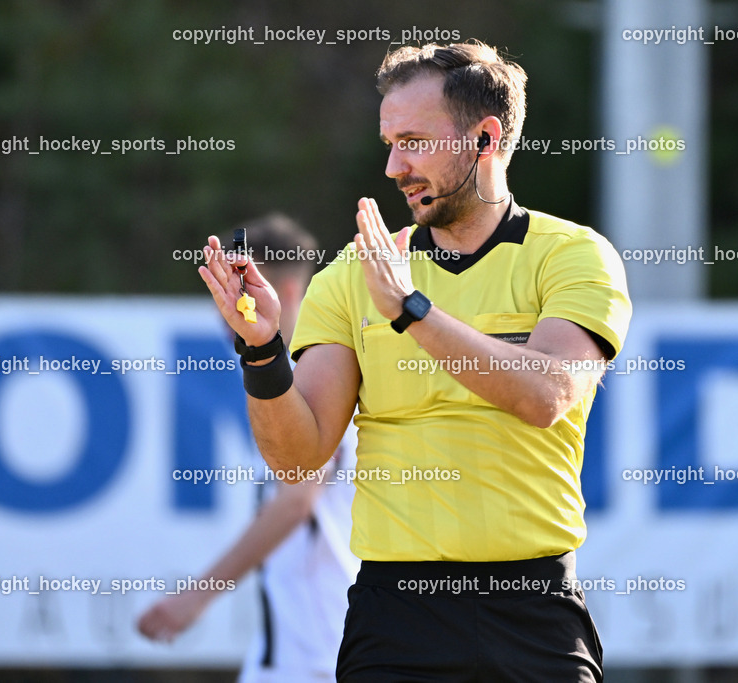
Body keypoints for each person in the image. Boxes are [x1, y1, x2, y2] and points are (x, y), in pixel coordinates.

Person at [198, 40, 632, 682]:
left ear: (484, 139)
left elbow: (547, 395)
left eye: (414, 141)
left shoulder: (573, 255)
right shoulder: (352, 275)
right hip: (394, 619)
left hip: (533, 612)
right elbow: (297, 456)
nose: (394, 166)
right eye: (389, 142)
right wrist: (260, 350)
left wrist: (411, 309)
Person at [138, 214, 359, 683]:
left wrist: (197, 595)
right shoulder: (284, 377)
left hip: (318, 651)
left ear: (291, 293)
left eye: (241, 292)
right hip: (296, 645)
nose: (228, 312)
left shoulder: (318, 374)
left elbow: (297, 502)